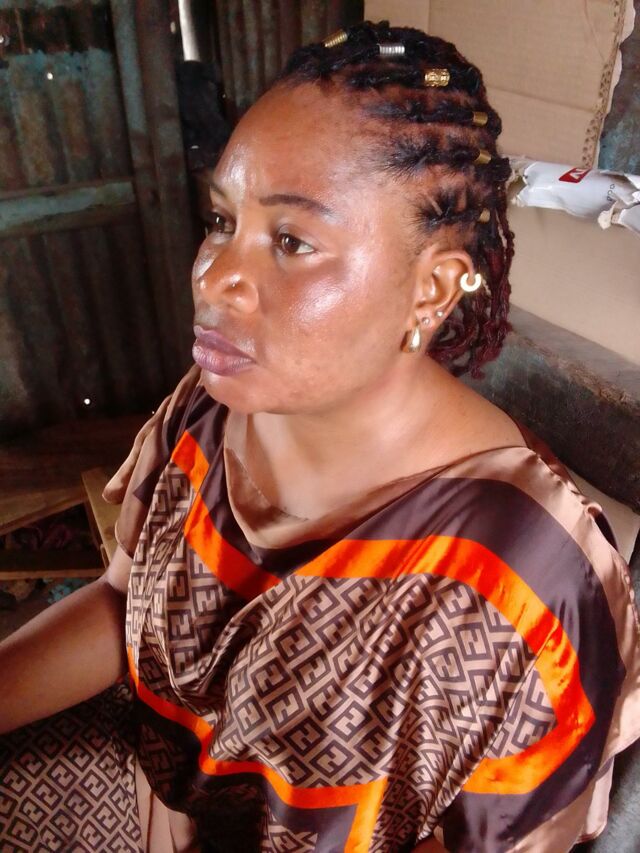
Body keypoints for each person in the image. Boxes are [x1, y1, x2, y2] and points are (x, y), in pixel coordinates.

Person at [1, 20, 639, 853]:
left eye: (291, 241)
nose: (214, 276)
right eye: (221, 219)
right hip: (161, 796)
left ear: (431, 288)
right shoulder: (214, 405)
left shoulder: (525, 586)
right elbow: (122, 604)